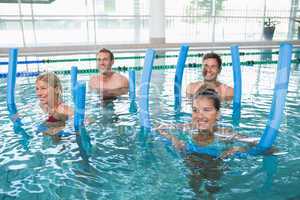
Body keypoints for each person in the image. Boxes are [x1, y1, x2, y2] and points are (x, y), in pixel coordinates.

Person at [156, 88, 258, 197]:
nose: (199, 116)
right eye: (195, 110)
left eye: (206, 110)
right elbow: (159, 128)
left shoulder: (225, 134)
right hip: (192, 161)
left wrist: (237, 149)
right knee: (194, 178)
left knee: (212, 183)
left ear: (218, 114)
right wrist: (173, 138)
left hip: (216, 163)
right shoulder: (188, 128)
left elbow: (260, 145)